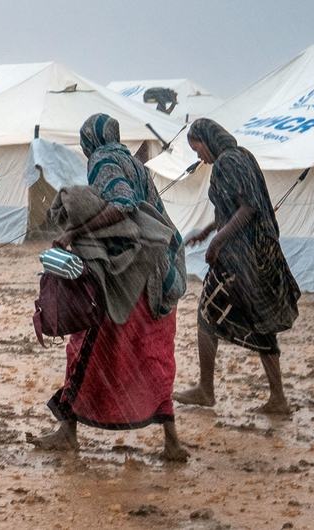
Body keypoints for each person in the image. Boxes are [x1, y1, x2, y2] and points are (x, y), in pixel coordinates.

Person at [31, 113, 189, 461]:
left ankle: (67, 432)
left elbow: (122, 204)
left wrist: (73, 232)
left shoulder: (103, 161)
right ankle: (172, 442)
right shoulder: (134, 164)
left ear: (91, 140)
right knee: (152, 354)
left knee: (86, 348)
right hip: (158, 274)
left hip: (128, 279)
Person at [173, 119, 300, 414]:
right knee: (260, 321)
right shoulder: (243, 156)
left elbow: (248, 208)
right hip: (259, 256)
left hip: (240, 259)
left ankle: (206, 389)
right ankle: (278, 397)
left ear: (208, 139)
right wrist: (208, 230)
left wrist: (217, 242)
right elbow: (235, 207)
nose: (199, 156)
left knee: (207, 314)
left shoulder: (227, 162)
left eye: (198, 148)